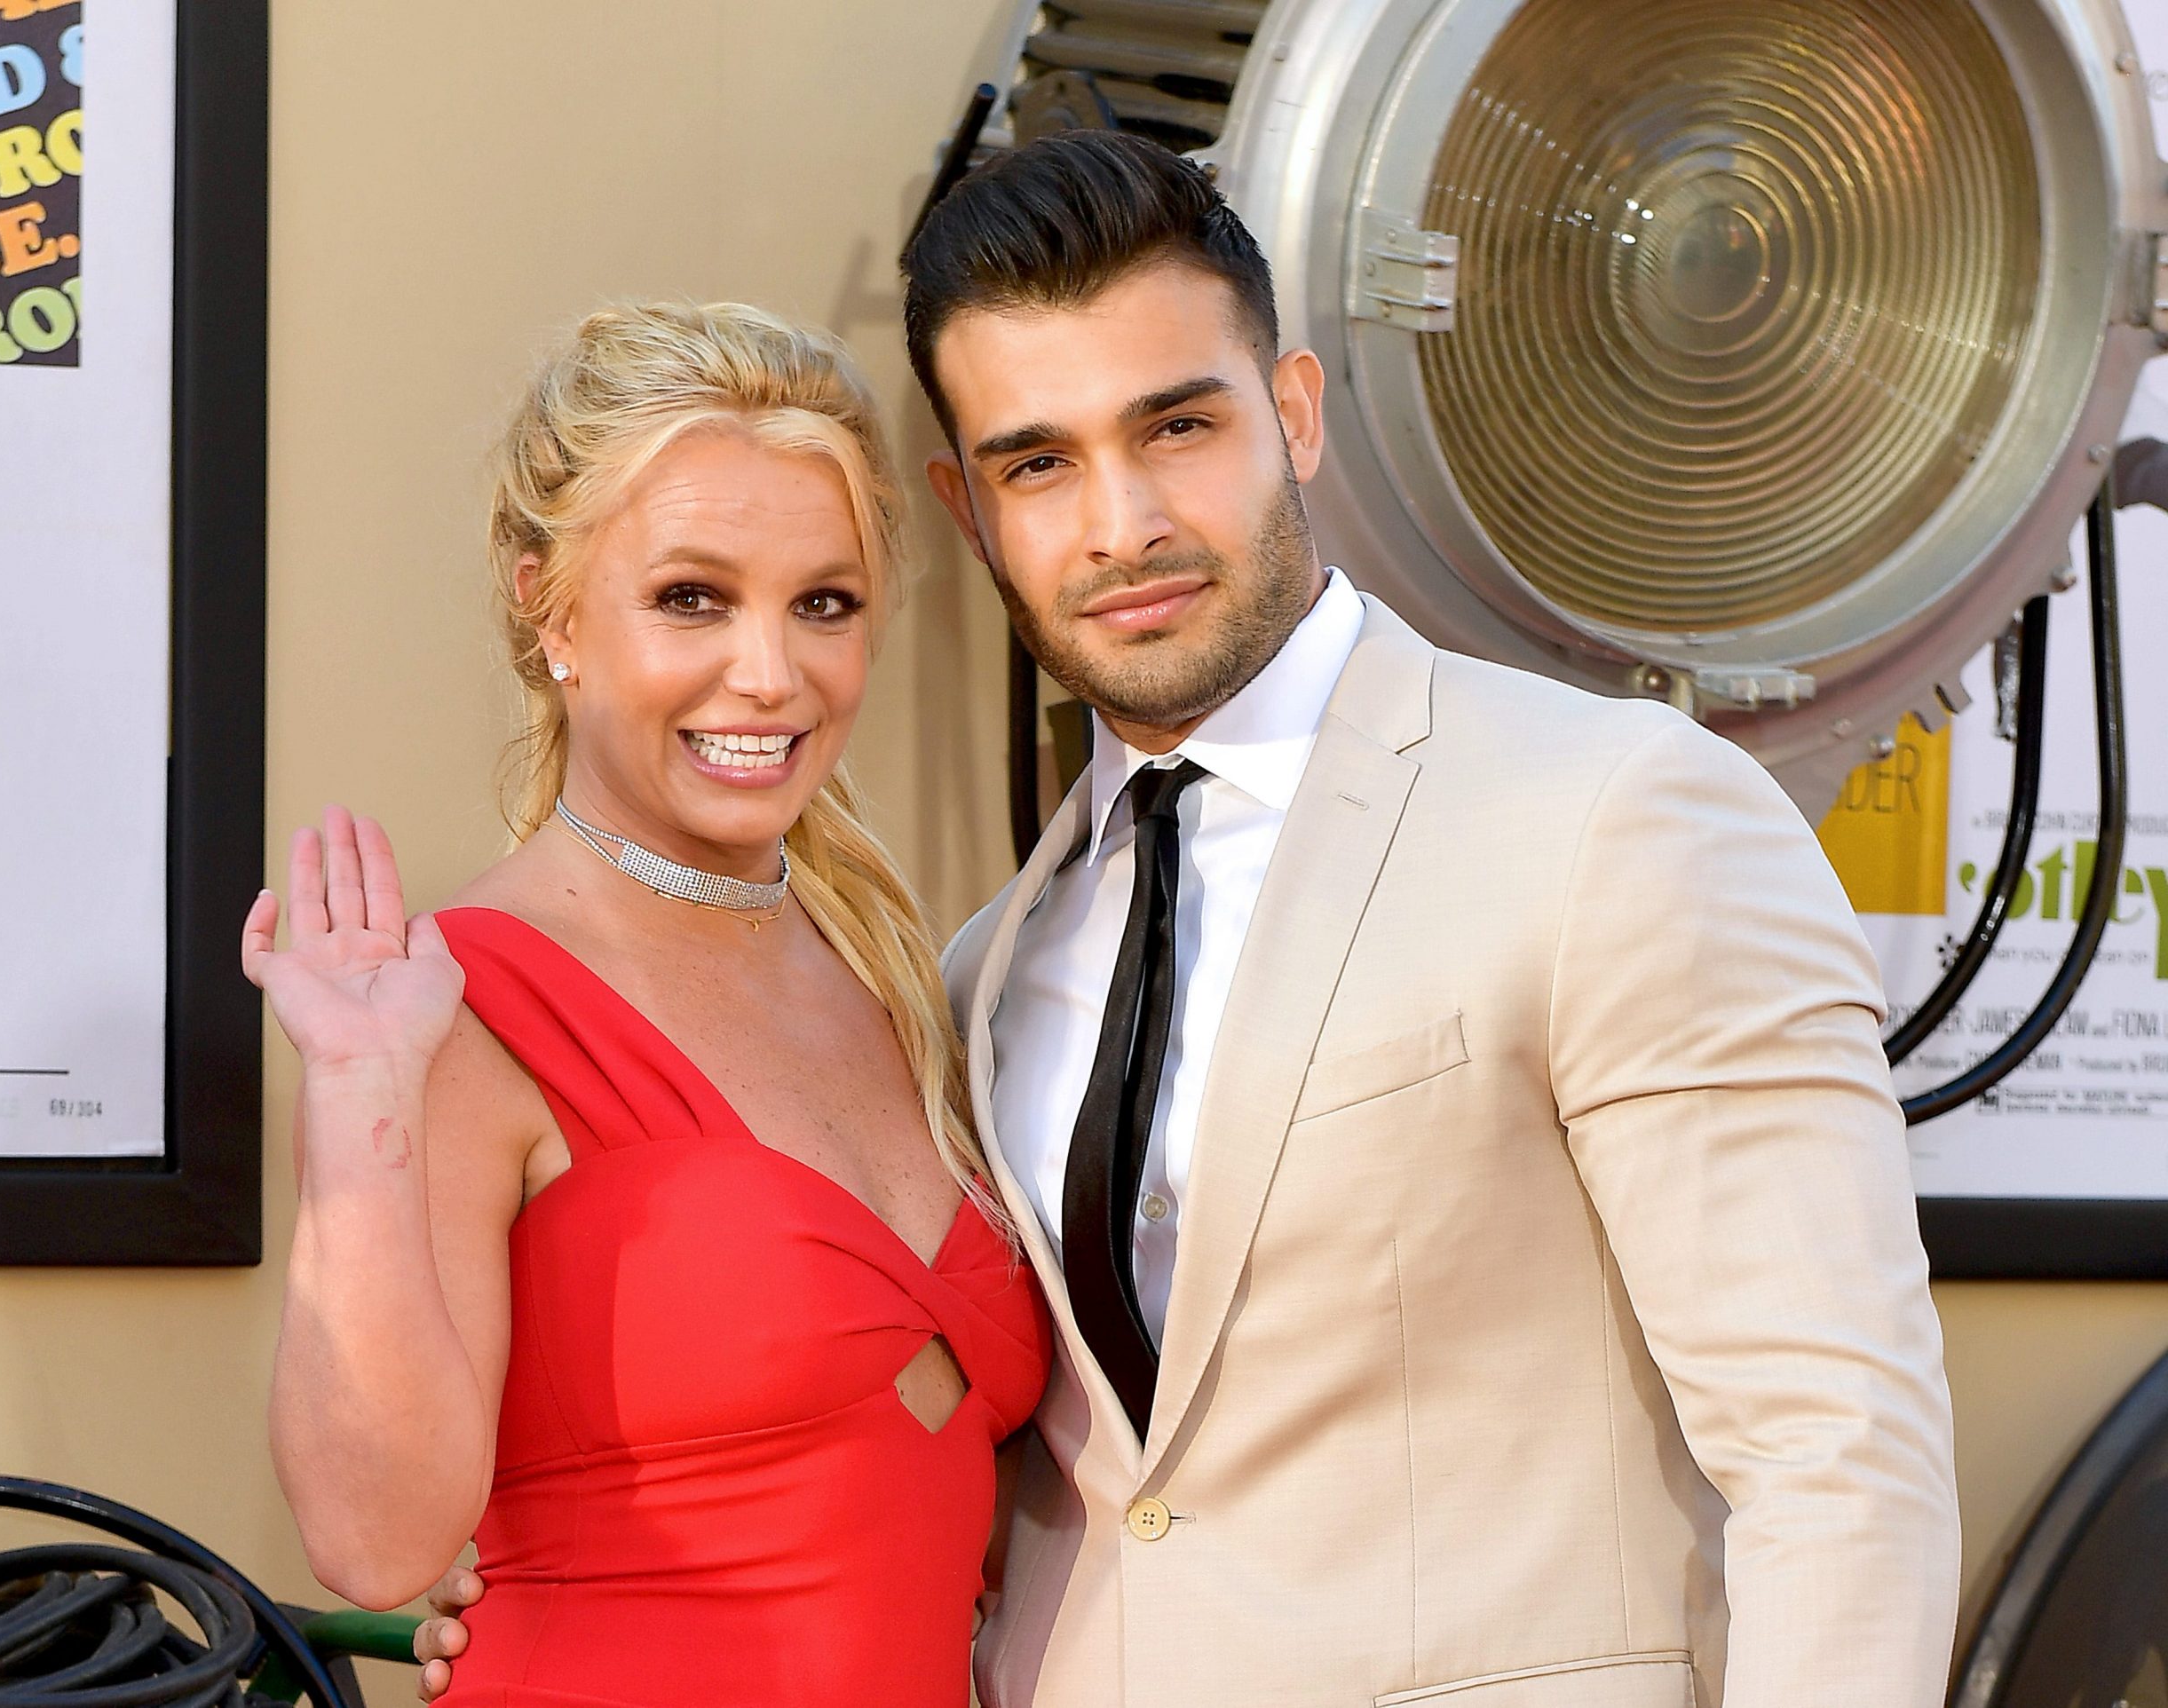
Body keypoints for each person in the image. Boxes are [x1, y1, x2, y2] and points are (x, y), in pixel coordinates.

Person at [416, 133, 1959, 1706]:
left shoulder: (1614, 815)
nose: (1122, 521)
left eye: (1178, 426)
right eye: (1039, 463)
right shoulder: (980, 969)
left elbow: (1839, 1453)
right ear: (969, 513)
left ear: (1292, 414)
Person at [243, 301, 1048, 1708]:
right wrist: (361, 1089)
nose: (769, 673)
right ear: (547, 605)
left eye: (825, 603)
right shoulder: (455, 1012)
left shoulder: (906, 983)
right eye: (693, 598)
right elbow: (374, 1545)